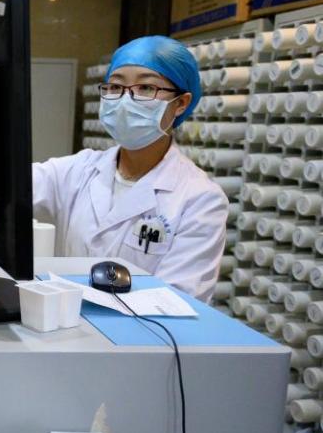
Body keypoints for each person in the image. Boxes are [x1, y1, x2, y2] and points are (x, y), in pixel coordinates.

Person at [33, 35, 228, 302]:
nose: (125, 100)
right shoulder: (78, 169)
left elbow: (178, 301)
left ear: (181, 103)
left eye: (146, 88)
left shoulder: (200, 199)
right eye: (115, 86)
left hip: (141, 340)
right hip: (66, 329)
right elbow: (7, 184)